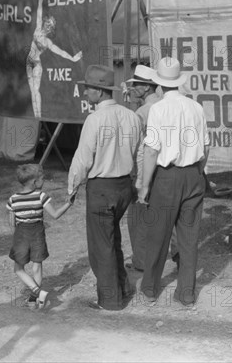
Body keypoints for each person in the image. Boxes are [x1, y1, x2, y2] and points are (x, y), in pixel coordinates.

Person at [137, 57, 210, 307]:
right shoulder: (196, 107)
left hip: (167, 177)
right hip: (193, 174)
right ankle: (187, 293)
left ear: (158, 85)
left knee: (158, 233)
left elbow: (151, 151)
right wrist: (198, 170)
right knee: (189, 238)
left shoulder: (158, 109)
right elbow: (206, 146)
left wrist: (145, 186)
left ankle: (150, 288)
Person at [68, 64, 141, 311]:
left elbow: (83, 158)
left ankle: (110, 300)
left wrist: (72, 187)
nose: (86, 93)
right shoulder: (132, 116)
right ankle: (124, 287)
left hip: (102, 188)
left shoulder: (94, 119)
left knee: (102, 246)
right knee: (113, 238)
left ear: (99, 91)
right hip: (124, 186)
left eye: (88, 89)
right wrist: (138, 183)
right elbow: (140, 154)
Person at [7, 164, 73, 309]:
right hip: (37, 234)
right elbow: (55, 215)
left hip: (21, 235)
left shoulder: (13, 199)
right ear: (34, 182)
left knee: (18, 269)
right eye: (42, 178)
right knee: (37, 267)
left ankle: (35, 296)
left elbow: (12, 224)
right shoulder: (41, 196)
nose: (44, 181)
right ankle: (36, 296)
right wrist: (68, 204)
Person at [26, 0, 82, 118]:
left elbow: (60, 52)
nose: (48, 26)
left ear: (51, 29)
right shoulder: (38, 27)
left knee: (36, 90)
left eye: (50, 26)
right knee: (32, 90)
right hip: (29, 60)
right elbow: (39, 5)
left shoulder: (48, 42)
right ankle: (35, 115)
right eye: (48, 23)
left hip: (36, 63)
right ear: (45, 23)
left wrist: (73, 58)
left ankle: (38, 116)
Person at [124, 65, 161, 272]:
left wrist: (136, 176)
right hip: (162, 166)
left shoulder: (143, 111)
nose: (133, 88)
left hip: (143, 166)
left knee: (138, 217)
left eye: (136, 85)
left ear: (146, 87)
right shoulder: (162, 105)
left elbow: (134, 140)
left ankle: (141, 260)